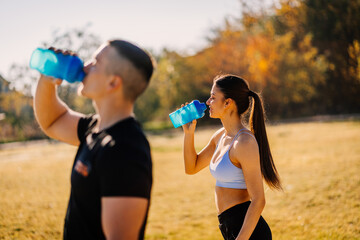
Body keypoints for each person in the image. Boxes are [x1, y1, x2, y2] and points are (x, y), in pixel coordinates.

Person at [33, 40, 155, 240]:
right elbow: (52, 121)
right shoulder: (94, 128)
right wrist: (47, 79)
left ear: (113, 83)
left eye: (95, 63)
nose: (86, 66)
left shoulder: (125, 150)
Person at [181, 74, 282, 240]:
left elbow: (258, 200)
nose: (208, 102)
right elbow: (191, 168)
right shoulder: (219, 136)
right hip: (228, 225)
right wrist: (188, 133)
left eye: (213, 97)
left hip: (248, 231)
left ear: (228, 102)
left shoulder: (244, 142)